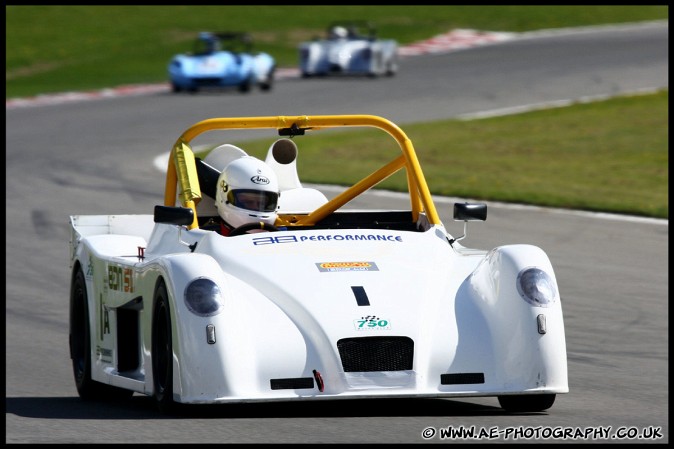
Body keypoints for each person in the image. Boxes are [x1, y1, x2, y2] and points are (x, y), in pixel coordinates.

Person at [214, 156, 280, 236]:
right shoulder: (205, 239)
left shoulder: (284, 236)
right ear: (224, 193)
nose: (256, 207)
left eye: (262, 203)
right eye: (247, 201)